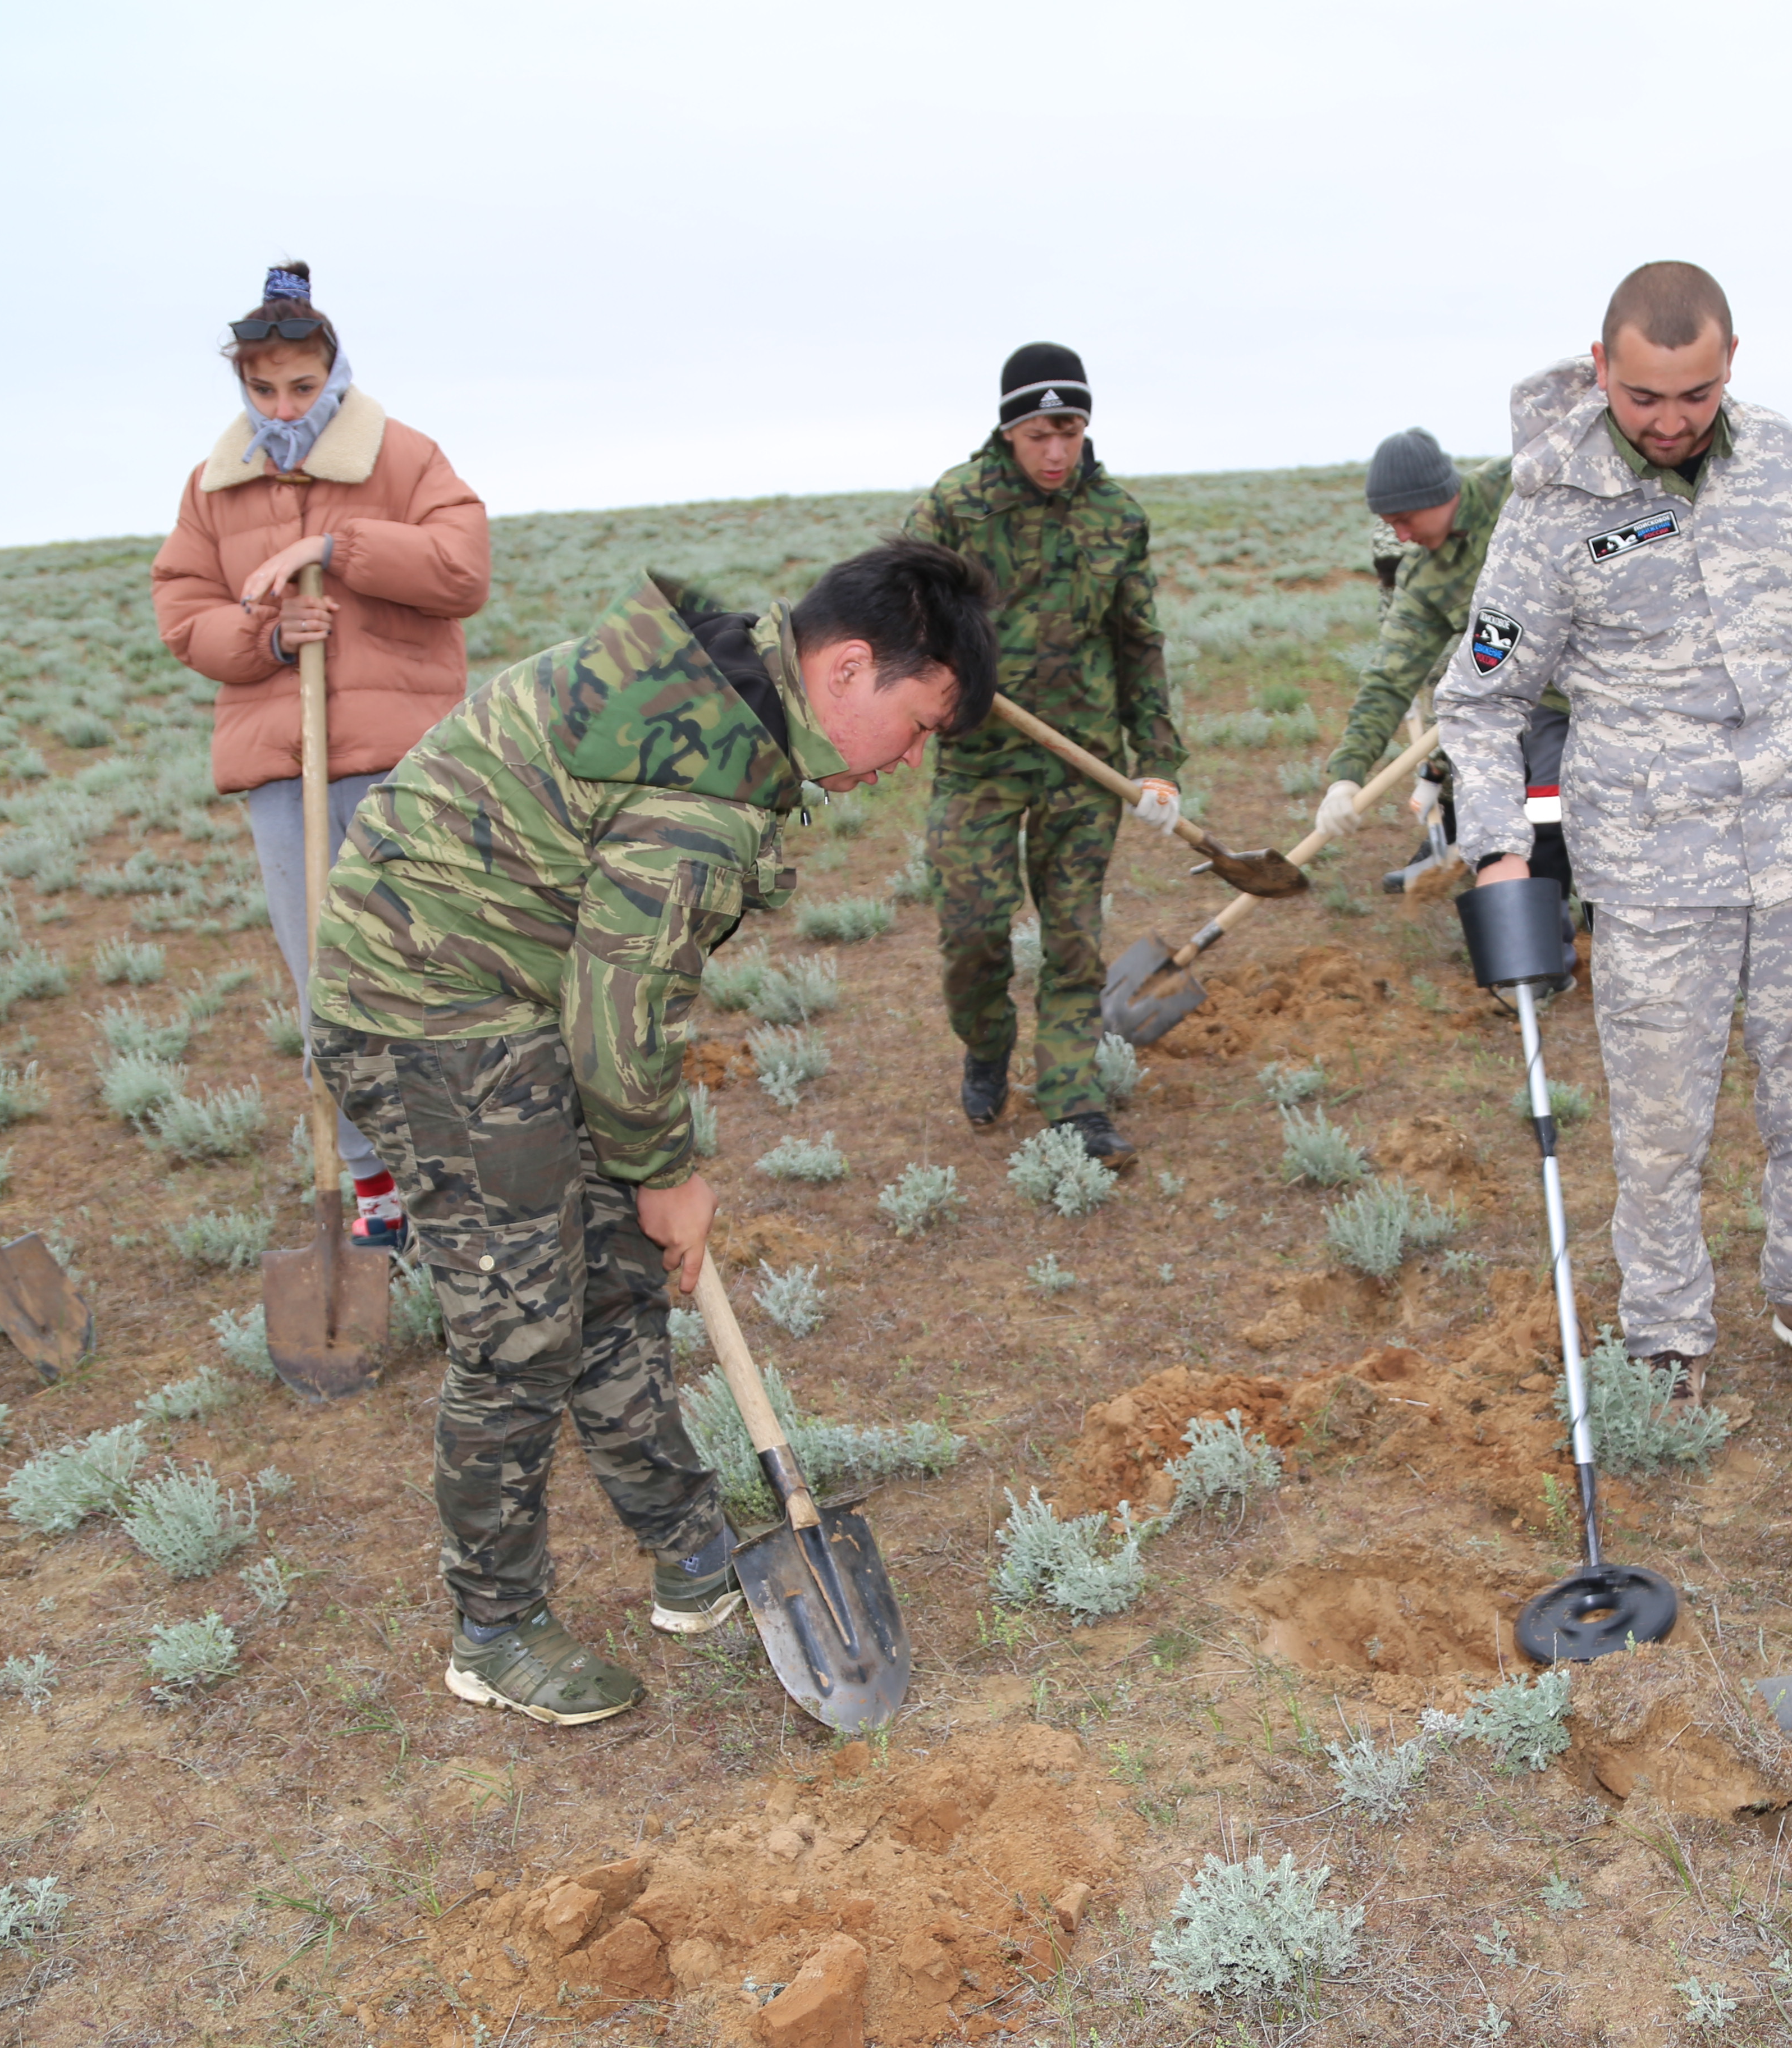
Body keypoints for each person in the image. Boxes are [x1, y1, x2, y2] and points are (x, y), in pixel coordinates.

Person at [307, 540, 996, 1726]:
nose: (915, 760)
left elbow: (608, 996)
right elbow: (620, 1014)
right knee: (520, 1325)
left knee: (617, 1274)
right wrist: (667, 1172)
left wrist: (643, 1181)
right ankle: (495, 1627)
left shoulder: (730, 698)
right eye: (921, 724)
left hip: (519, 995)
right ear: (843, 670)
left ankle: (686, 1547)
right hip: (432, 1013)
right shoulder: (706, 789)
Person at [1436, 262, 1792, 1406]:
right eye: (1646, 399)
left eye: (1697, 397)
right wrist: (1499, 845)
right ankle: (1666, 1333)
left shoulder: (1781, 462)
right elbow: (1479, 696)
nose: (1671, 424)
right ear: (1603, 366)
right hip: (1659, 873)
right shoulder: (1549, 512)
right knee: (1663, 1123)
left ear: (1731, 366)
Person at [151, 262, 491, 1252]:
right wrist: (265, 636)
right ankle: (372, 1185)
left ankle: (457, 1172)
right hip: (280, 771)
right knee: (324, 982)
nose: (282, 406)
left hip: (404, 767)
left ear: (334, 371)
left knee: (425, 970)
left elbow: (463, 570)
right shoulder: (214, 486)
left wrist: (340, 548)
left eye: (301, 386)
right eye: (262, 388)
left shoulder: (405, 455)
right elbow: (182, 612)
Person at [903, 344, 1182, 1167]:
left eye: (1070, 430)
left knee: (1072, 941)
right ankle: (987, 1043)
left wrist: (1157, 759)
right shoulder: (957, 506)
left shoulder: (1117, 517)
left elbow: (1139, 643)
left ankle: (1073, 1102)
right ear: (1009, 431)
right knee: (974, 932)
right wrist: (921, 703)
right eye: (1039, 435)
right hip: (980, 758)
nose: (1056, 451)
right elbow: (904, 617)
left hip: (1083, 763)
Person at [1313, 424, 1576, 903]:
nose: (1401, 535)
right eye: (1390, 525)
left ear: (1439, 495)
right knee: (1541, 813)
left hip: (1623, 677)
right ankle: (1548, 950)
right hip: (1539, 705)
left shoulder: (1519, 484)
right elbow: (1389, 678)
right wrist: (1347, 775)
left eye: (1404, 519)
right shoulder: (1424, 575)